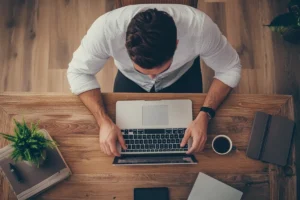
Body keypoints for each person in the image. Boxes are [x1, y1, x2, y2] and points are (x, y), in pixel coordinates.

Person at [67, 5, 241, 157]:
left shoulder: (201, 28)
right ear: (126, 47)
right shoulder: (105, 30)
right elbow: (78, 72)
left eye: (161, 69)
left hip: (183, 76)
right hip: (130, 79)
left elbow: (230, 68)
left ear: (177, 44)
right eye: (142, 69)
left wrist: (205, 114)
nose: (153, 78)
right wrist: (103, 121)